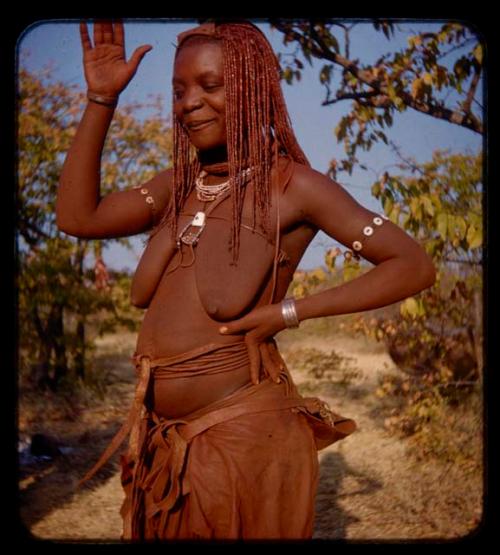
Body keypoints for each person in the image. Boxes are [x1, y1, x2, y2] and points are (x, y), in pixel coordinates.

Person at [56, 20, 435, 541]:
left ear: (253, 88)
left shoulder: (294, 187)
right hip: (164, 447)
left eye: (210, 86)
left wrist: (291, 312)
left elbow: (412, 264)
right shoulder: (179, 187)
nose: (190, 103)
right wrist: (101, 100)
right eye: (179, 90)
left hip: (244, 440)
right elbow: (79, 218)